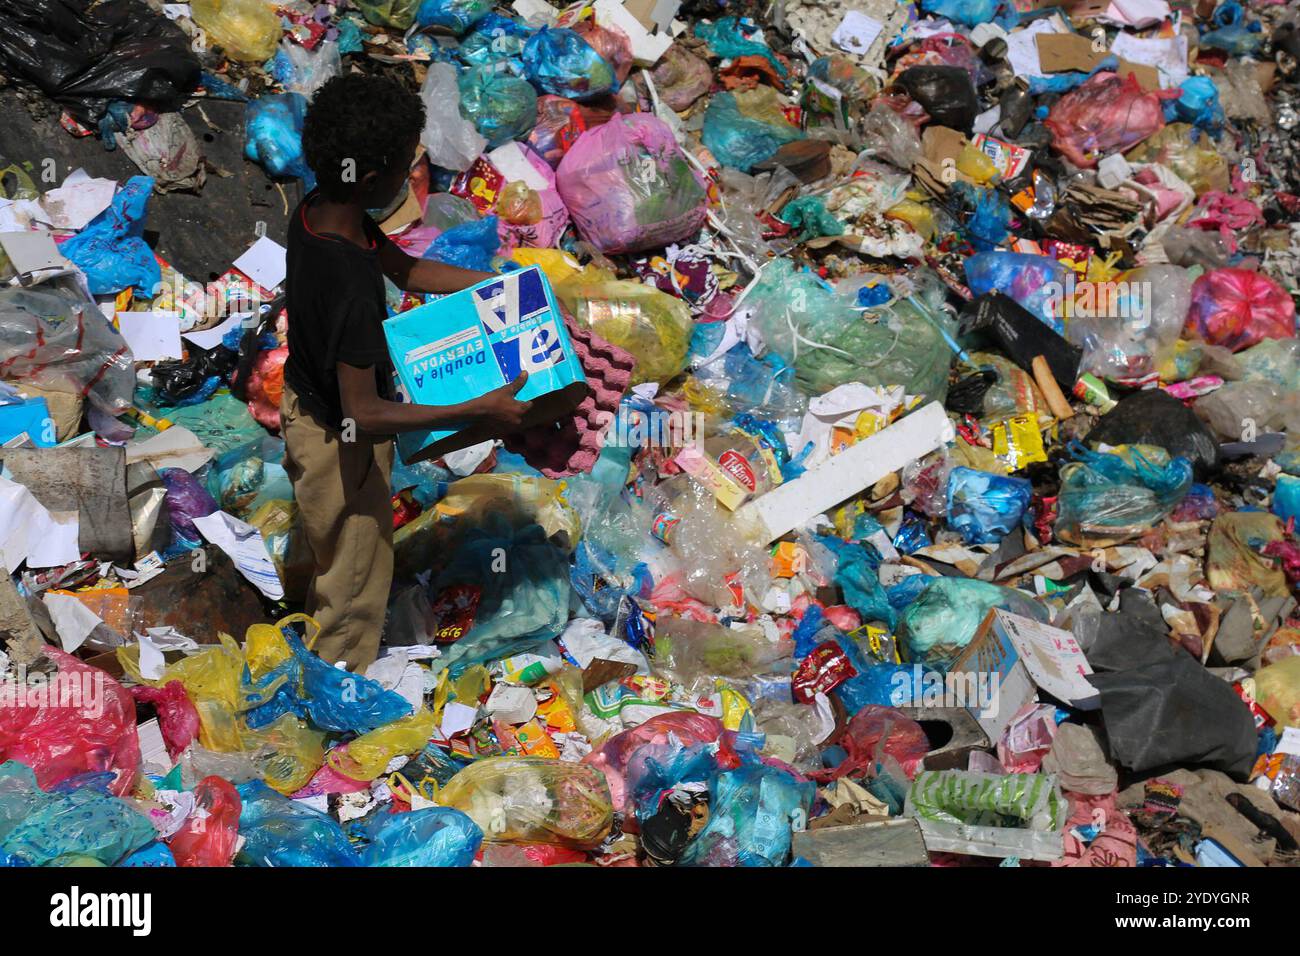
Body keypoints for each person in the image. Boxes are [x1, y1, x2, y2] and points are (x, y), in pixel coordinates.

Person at [282, 73, 530, 671]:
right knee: (358, 572)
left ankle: (292, 609)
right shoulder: (352, 293)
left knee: (323, 537)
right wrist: (481, 409)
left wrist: (496, 286)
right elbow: (366, 412)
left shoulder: (323, 211)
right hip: (342, 441)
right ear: (372, 180)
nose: (412, 178)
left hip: (306, 403)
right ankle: (333, 687)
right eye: (405, 166)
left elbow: (410, 272)